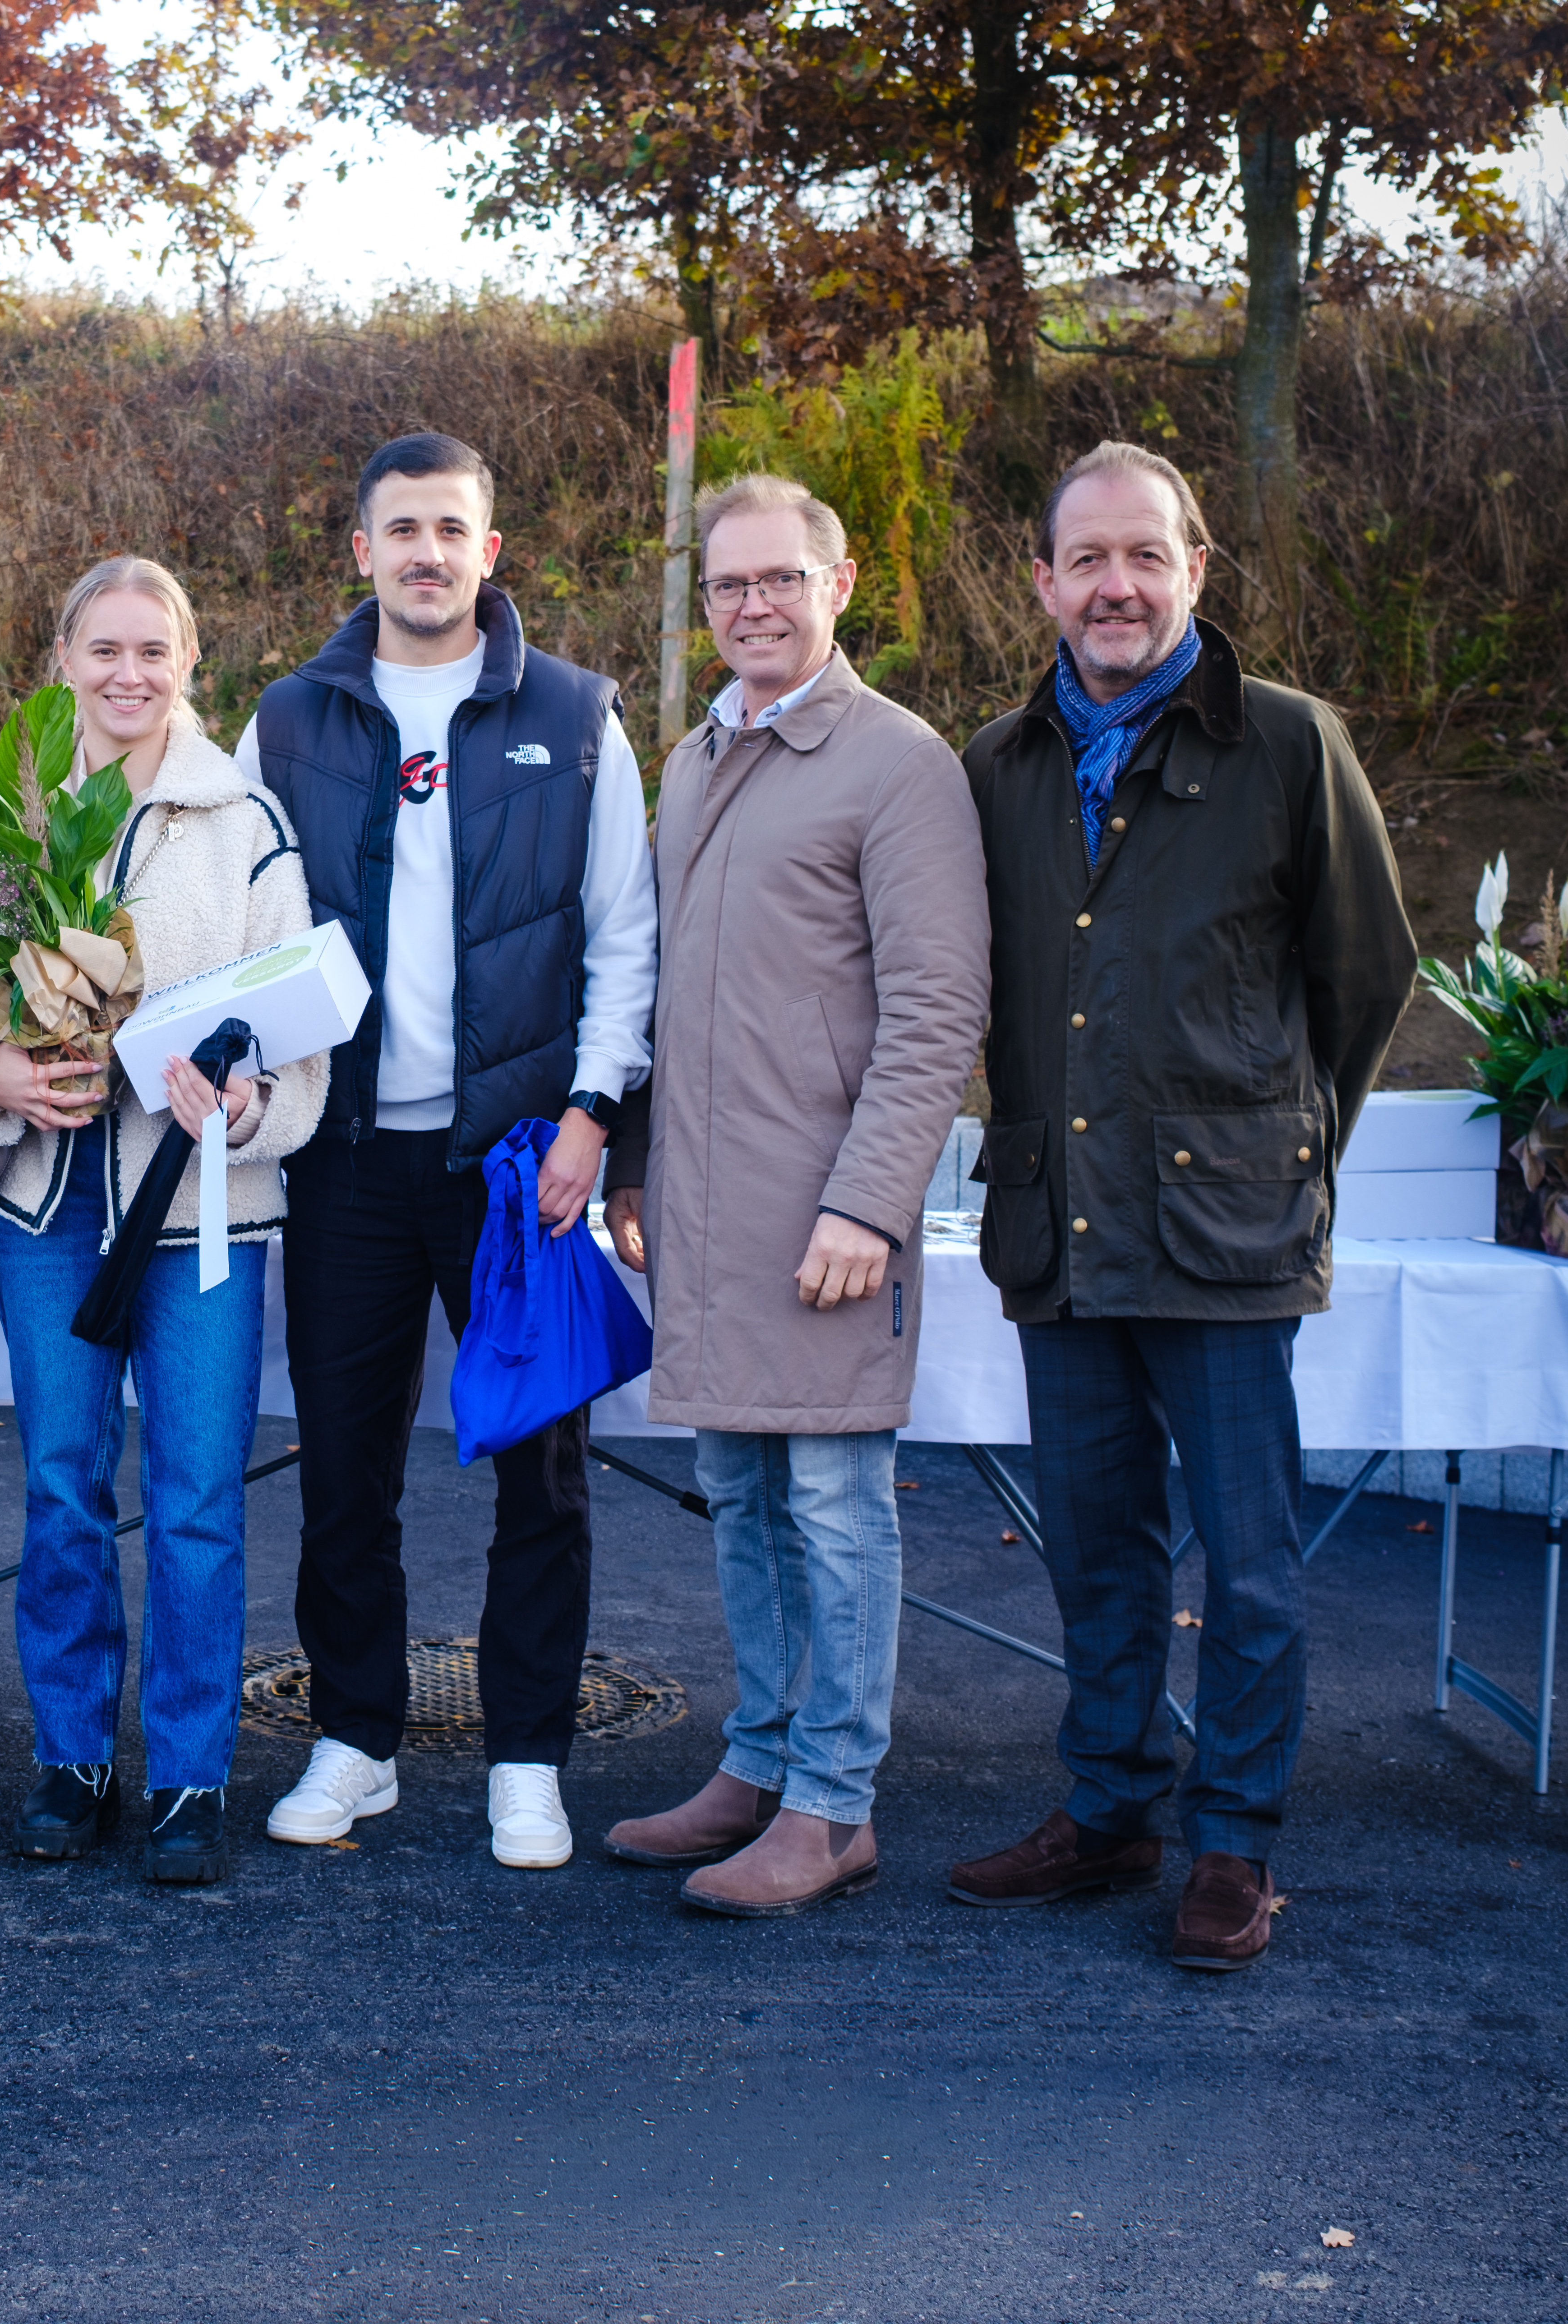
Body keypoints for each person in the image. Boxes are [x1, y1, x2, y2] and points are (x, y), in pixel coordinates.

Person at [942, 441, 1414, 1970]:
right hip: (1063, 1220)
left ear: (1196, 572)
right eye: (1087, 560)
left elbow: (1364, 978)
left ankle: (1234, 1844)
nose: (1116, 587)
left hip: (1224, 1235)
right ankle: (1112, 1807)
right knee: (1095, 1546)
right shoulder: (998, 766)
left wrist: (1279, 1144)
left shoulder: (1288, 745)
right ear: (1044, 583)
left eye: (1146, 557)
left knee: (1250, 1559)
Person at [237, 432, 659, 1871]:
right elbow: (246, 934)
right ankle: (356, 1742)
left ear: (494, 550)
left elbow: (623, 937)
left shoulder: (580, 715)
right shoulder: (288, 720)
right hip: (343, 1158)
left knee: (541, 1471)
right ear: (360, 551)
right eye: (400, 527)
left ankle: (528, 1755)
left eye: (452, 528)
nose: (426, 551)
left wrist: (595, 1119)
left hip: (517, 1165)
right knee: (345, 1468)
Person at [0, 557, 327, 1885]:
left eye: (155, 651)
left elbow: (300, 1059)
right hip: (51, 1202)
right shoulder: (6, 819)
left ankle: (191, 1775)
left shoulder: (243, 818)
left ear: (190, 661)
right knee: (62, 1486)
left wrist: (243, 1107)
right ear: (64, 658)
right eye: (104, 651)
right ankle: (72, 1755)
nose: (128, 675)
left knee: (196, 1498)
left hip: (199, 1215)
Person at [598, 475, 990, 1915]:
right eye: (727, 587)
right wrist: (634, 1154)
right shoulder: (698, 755)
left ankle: (833, 1807)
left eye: (779, 580)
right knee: (742, 1494)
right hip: (707, 1212)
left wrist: (870, 1205)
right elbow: (651, 984)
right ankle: (757, 1764)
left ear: (839, 587)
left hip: (826, 1217)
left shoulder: (899, 764)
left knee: (834, 1499)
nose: (752, 606)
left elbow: (941, 1007)